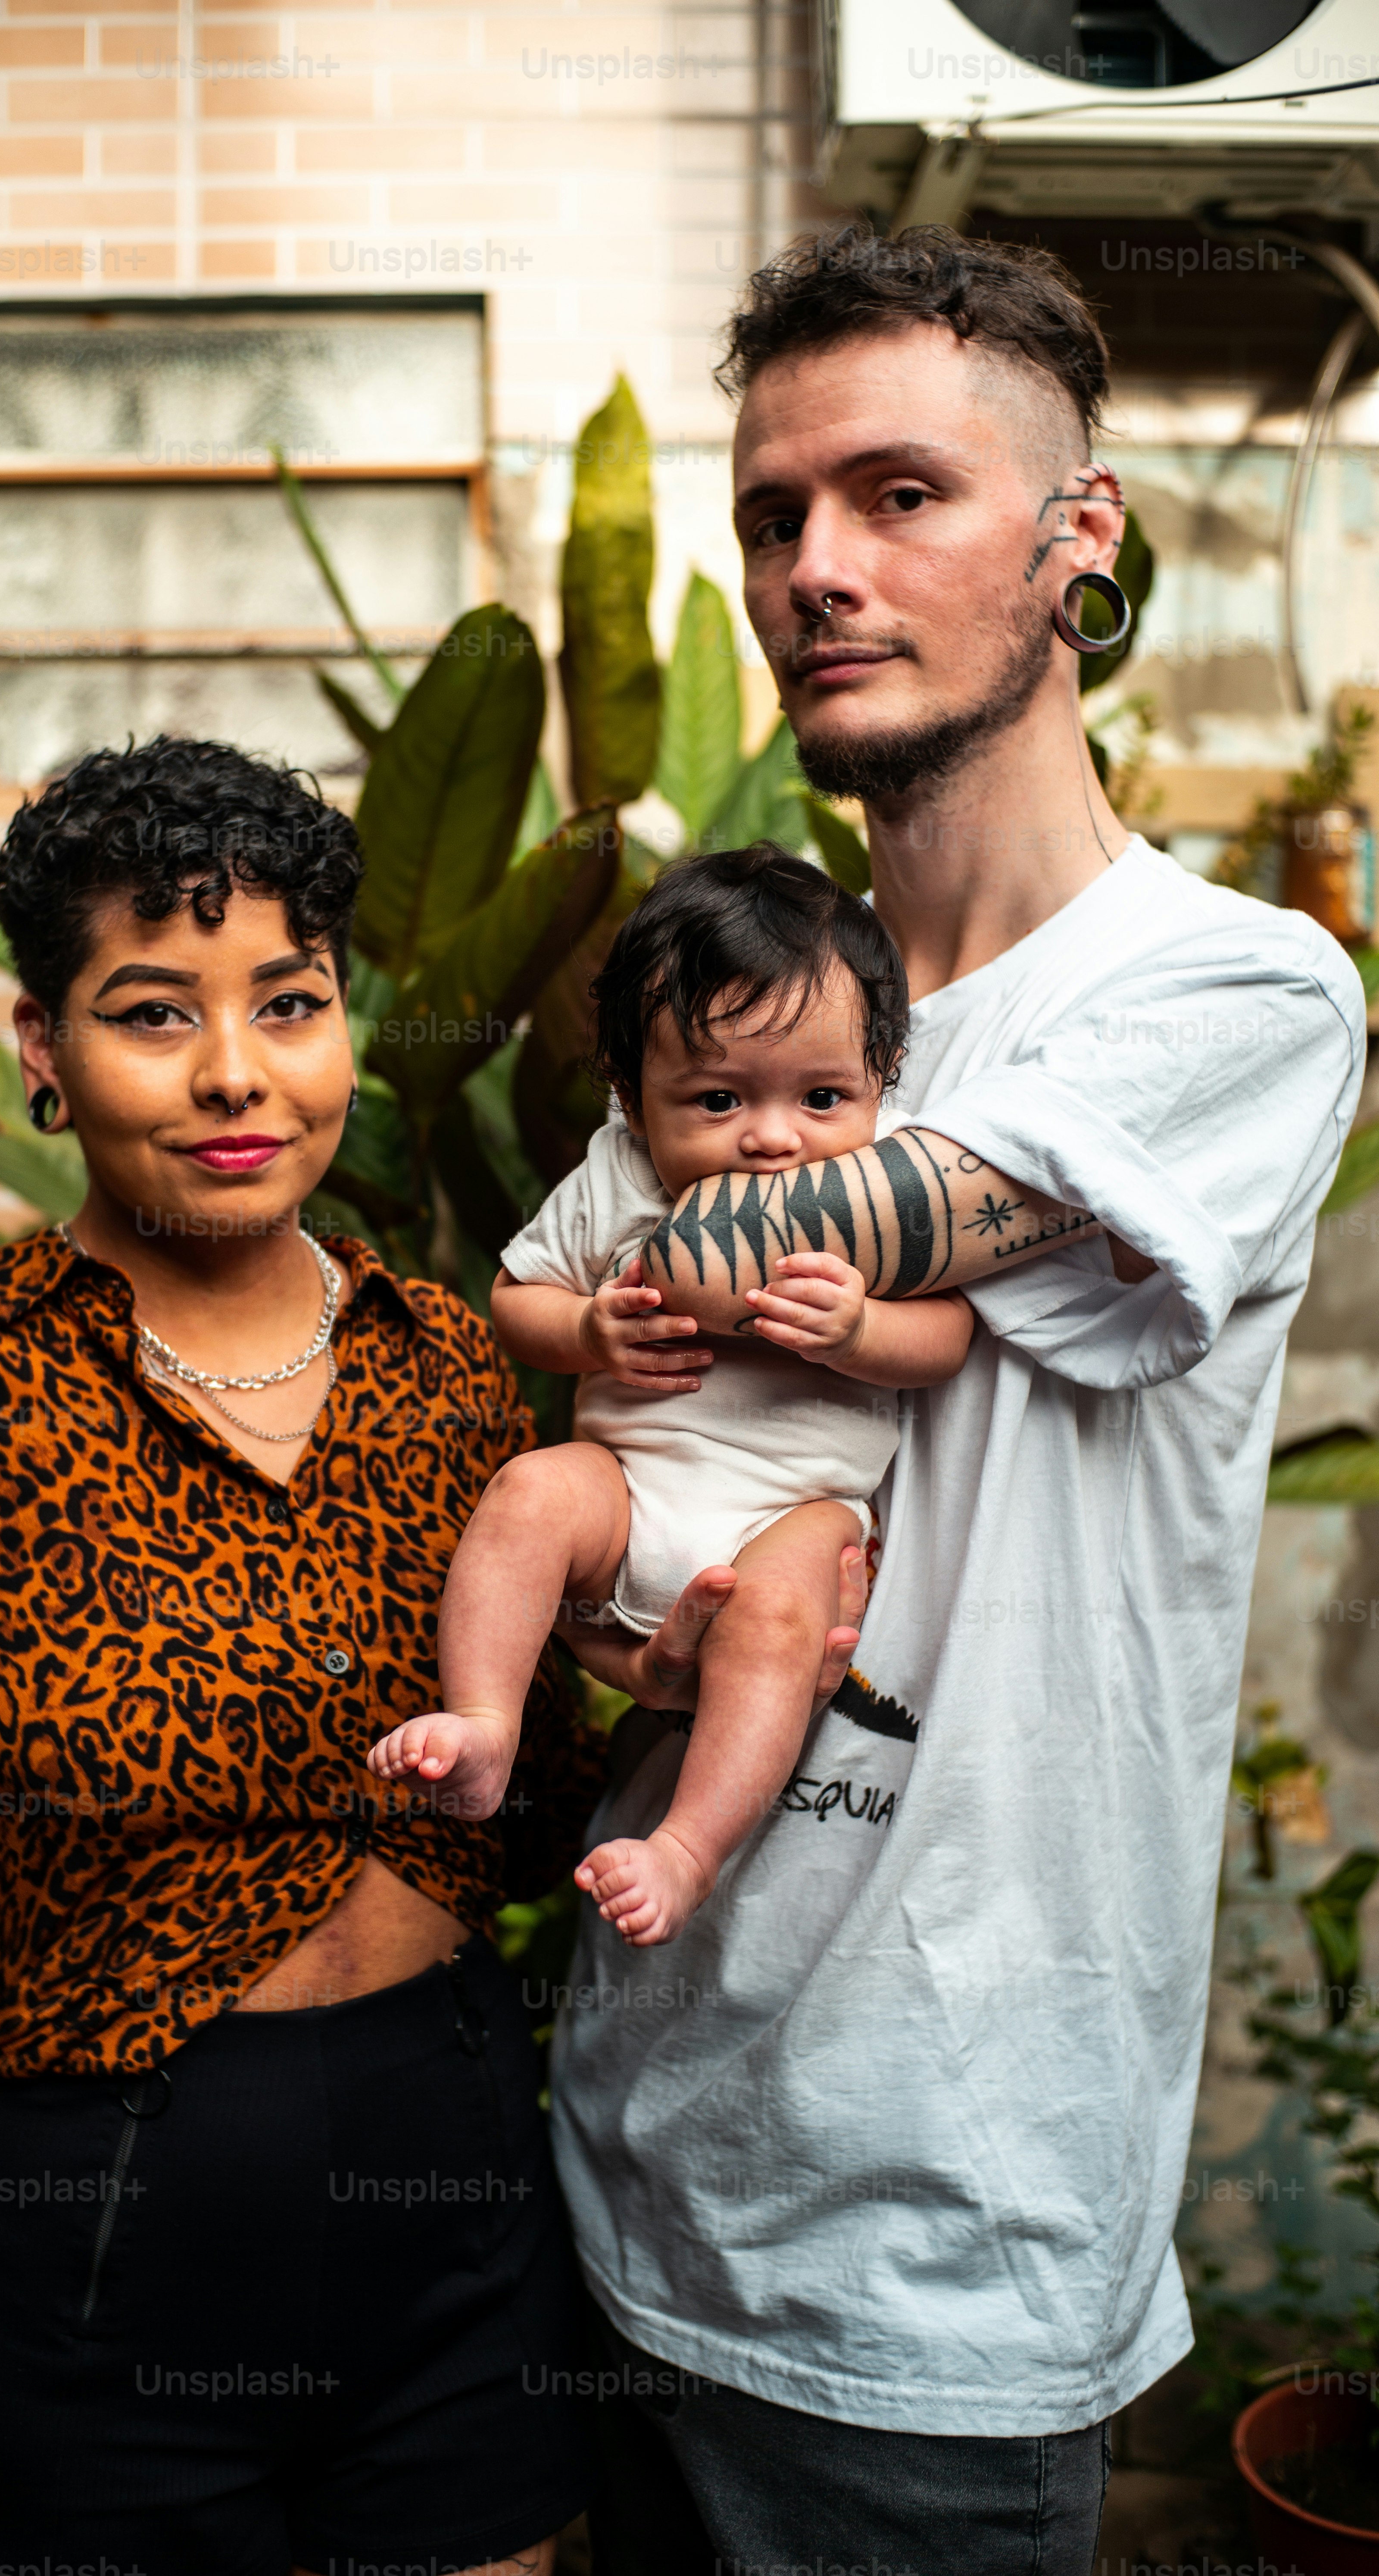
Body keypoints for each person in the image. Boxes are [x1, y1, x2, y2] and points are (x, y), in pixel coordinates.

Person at [547, 223, 1368, 2576]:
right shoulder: (748, 1011)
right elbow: (640, 1446)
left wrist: (575, 1282)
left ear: (1073, 544)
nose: (817, 567)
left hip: (934, 2234)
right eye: (772, 515)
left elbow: (804, 1251)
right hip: (626, 2156)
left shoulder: (1227, 989)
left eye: (898, 493)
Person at [0, 738, 596, 2575]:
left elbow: (544, 1770)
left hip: (457, 2173)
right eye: (152, 1012)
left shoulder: (447, 1372)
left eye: (290, 1004)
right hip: (102, 2219)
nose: (235, 1073)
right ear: (41, 1054)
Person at [369, 846, 984, 1945]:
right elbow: (519, 1299)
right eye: (715, 1098)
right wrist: (590, 1328)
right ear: (629, 1091)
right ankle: (483, 1720)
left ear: (882, 1075)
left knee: (787, 1614)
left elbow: (949, 1337)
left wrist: (861, 1330)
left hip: (785, 1520)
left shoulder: (877, 1188)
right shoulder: (619, 1175)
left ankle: (689, 1846)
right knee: (528, 1494)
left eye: (823, 1095)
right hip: (626, 1496)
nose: (772, 1134)